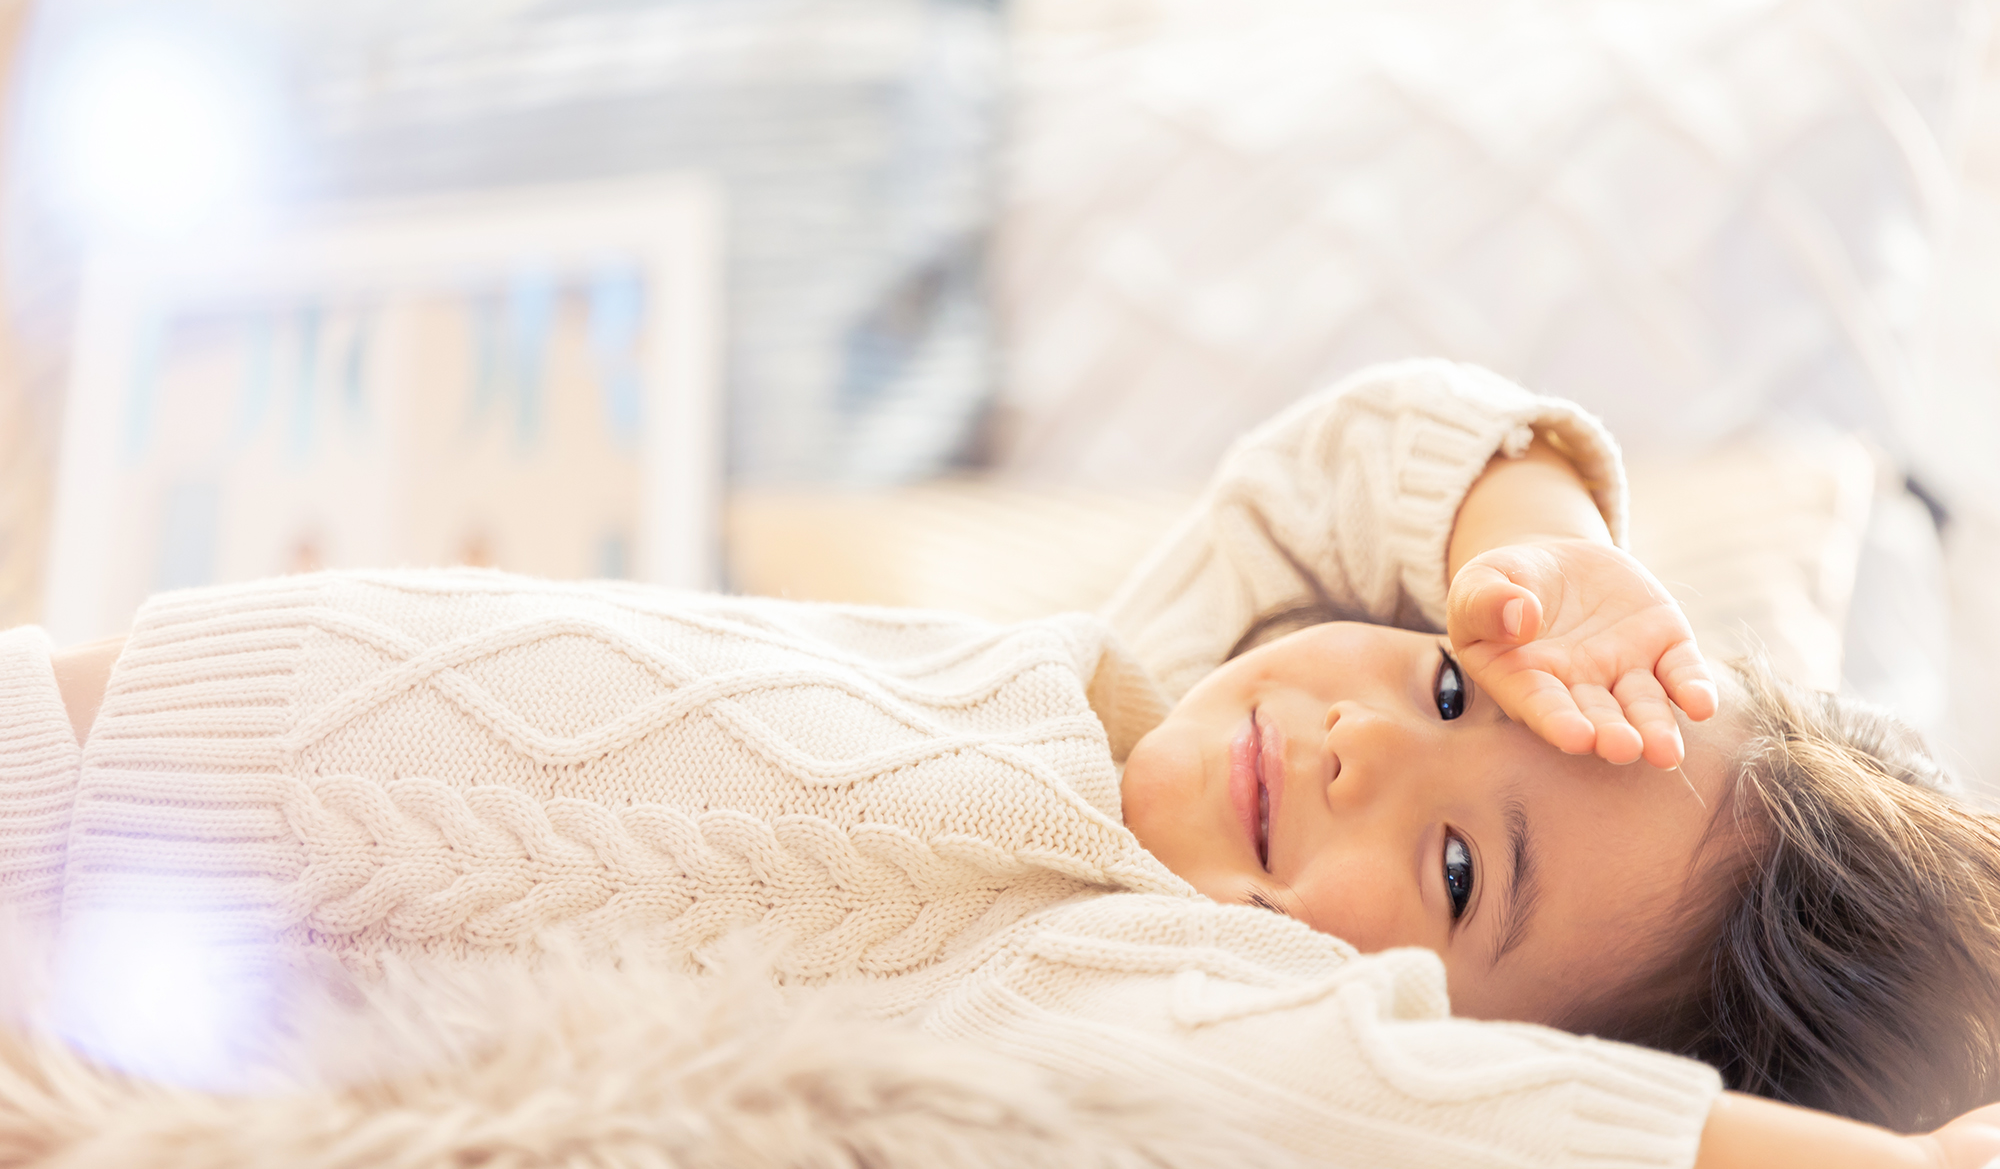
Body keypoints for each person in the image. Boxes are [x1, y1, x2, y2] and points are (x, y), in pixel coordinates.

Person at [5, 359, 1999, 1168]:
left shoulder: (1170, 998)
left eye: (1468, 873)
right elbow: (1358, 443)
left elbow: (1542, 1136)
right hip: (71, 722)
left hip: (90, 959)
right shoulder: (1136, 668)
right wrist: (1546, 561)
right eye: (1452, 692)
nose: (1357, 746)